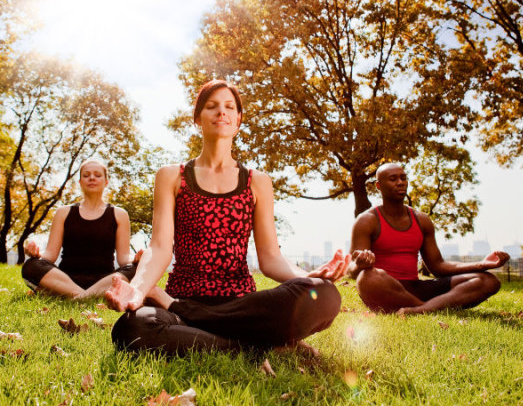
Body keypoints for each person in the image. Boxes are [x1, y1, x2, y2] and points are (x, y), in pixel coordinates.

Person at [104, 79, 349, 354]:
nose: (221, 112)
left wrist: (307, 277)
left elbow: (270, 258)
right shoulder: (172, 176)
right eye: (212, 106)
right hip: (183, 298)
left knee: (325, 294)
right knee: (131, 329)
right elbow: (160, 247)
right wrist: (137, 288)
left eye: (229, 107)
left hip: (242, 307)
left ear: (238, 119)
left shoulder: (258, 181)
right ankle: (252, 348)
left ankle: (210, 333)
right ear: (198, 118)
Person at [348, 162, 509, 315]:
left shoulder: (421, 220)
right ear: (379, 186)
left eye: (403, 178)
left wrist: (482, 264)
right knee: (367, 278)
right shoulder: (366, 221)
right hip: (385, 286)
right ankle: (428, 308)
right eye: (393, 179)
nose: (400, 182)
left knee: (489, 281)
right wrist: (360, 264)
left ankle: (420, 310)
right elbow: (351, 269)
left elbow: (438, 266)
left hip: (417, 287)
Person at [21, 159, 139, 299]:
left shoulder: (119, 214)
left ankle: (78, 297)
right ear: (80, 182)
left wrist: (137, 260)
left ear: (106, 182)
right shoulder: (63, 212)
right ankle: (85, 296)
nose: (92, 178)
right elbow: (50, 256)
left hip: (103, 281)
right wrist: (35, 253)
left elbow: (124, 258)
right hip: (66, 281)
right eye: (86, 175)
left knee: (138, 270)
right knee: (31, 265)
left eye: (97, 175)